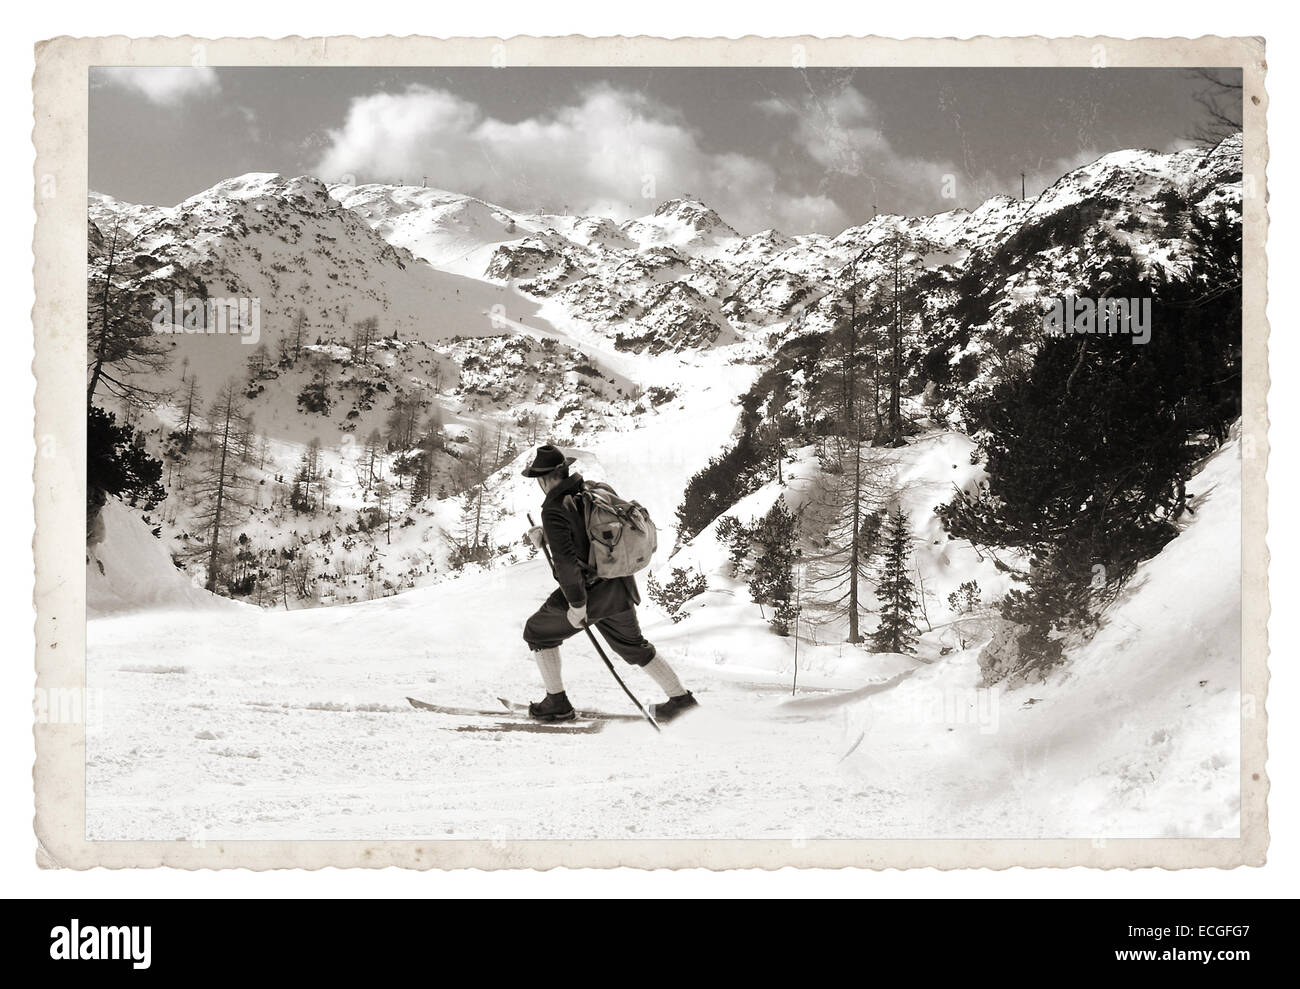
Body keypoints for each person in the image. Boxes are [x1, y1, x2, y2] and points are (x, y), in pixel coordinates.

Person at [520, 444, 698, 724]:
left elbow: (567, 564)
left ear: (544, 479)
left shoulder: (554, 508)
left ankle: (557, 703)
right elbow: (587, 534)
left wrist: (577, 605)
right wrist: (547, 536)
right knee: (634, 646)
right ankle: (681, 700)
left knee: (537, 633)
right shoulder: (592, 490)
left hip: (588, 594)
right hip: (619, 584)